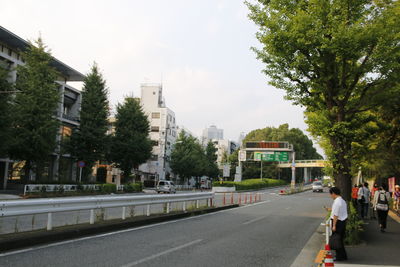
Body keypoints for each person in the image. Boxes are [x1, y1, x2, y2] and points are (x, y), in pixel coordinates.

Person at [325, 187, 348, 261]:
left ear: (333, 193)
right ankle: (343, 256)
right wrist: (330, 209)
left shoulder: (337, 202)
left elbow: (336, 215)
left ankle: (340, 257)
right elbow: (337, 210)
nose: (330, 196)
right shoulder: (342, 201)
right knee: (339, 240)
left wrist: (334, 225)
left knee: (336, 241)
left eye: (331, 194)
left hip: (338, 223)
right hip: (342, 222)